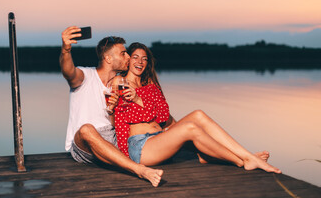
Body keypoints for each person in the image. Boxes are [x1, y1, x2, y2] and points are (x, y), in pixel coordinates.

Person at [112, 42, 282, 173]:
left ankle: (248, 155)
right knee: (190, 128)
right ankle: (242, 160)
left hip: (159, 138)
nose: (140, 62)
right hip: (141, 147)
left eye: (144, 58)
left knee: (198, 115)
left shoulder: (149, 84)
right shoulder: (121, 83)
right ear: (128, 59)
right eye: (135, 57)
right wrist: (126, 160)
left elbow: (163, 115)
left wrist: (139, 99)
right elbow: (121, 120)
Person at [60, 27, 163, 187]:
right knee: (86, 129)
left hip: (112, 141)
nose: (128, 56)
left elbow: (117, 124)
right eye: (123, 53)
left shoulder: (121, 82)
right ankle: (139, 170)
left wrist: (113, 110)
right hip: (84, 143)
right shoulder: (85, 77)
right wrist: (66, 50)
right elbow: (68, 72)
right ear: (108, 58)